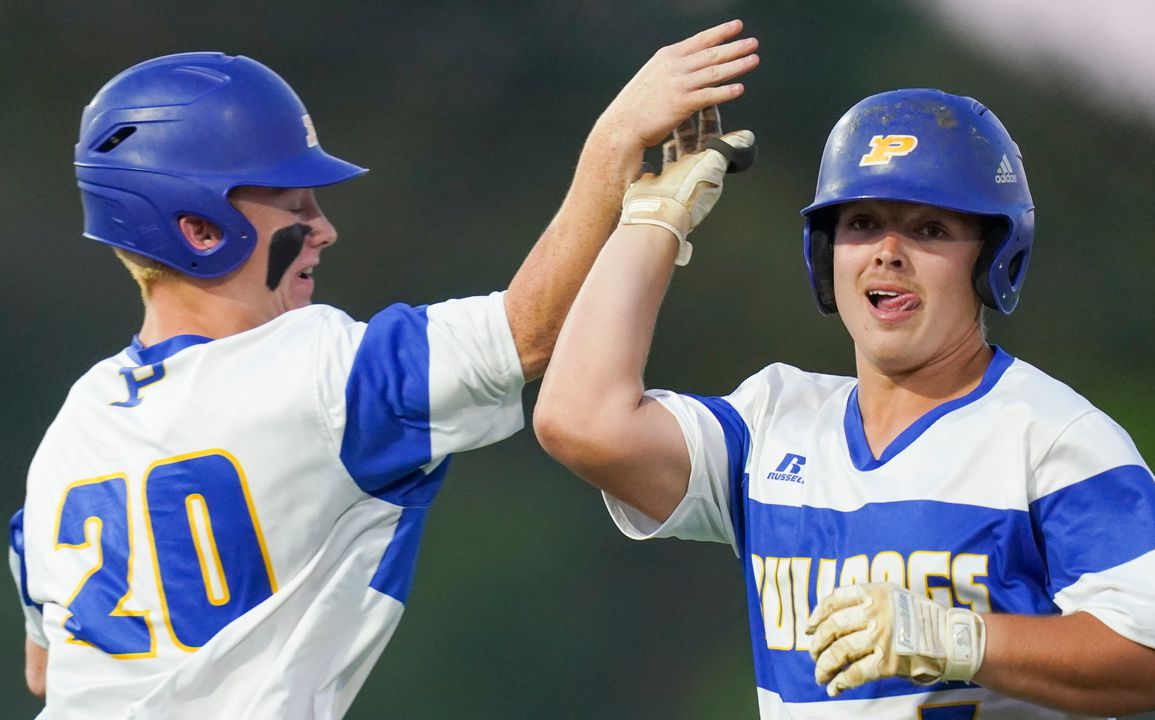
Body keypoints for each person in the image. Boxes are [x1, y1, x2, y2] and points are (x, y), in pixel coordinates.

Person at [7, 21, 759, 718]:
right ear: (202, 229)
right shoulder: (316, 373)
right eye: (295, 207)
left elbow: (45, 669)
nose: (323, 230)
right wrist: (614, 146)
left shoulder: (70, 431)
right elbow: (527, 333)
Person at [534, 88, 1155, 718]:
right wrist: (654, 222)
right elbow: (579, 420)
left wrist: (959, 638)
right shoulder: (774, 421)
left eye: (928, 230)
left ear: (993, 259)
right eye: (862, 223)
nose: (888, 252)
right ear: (825, 253)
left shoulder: (1050, 436)